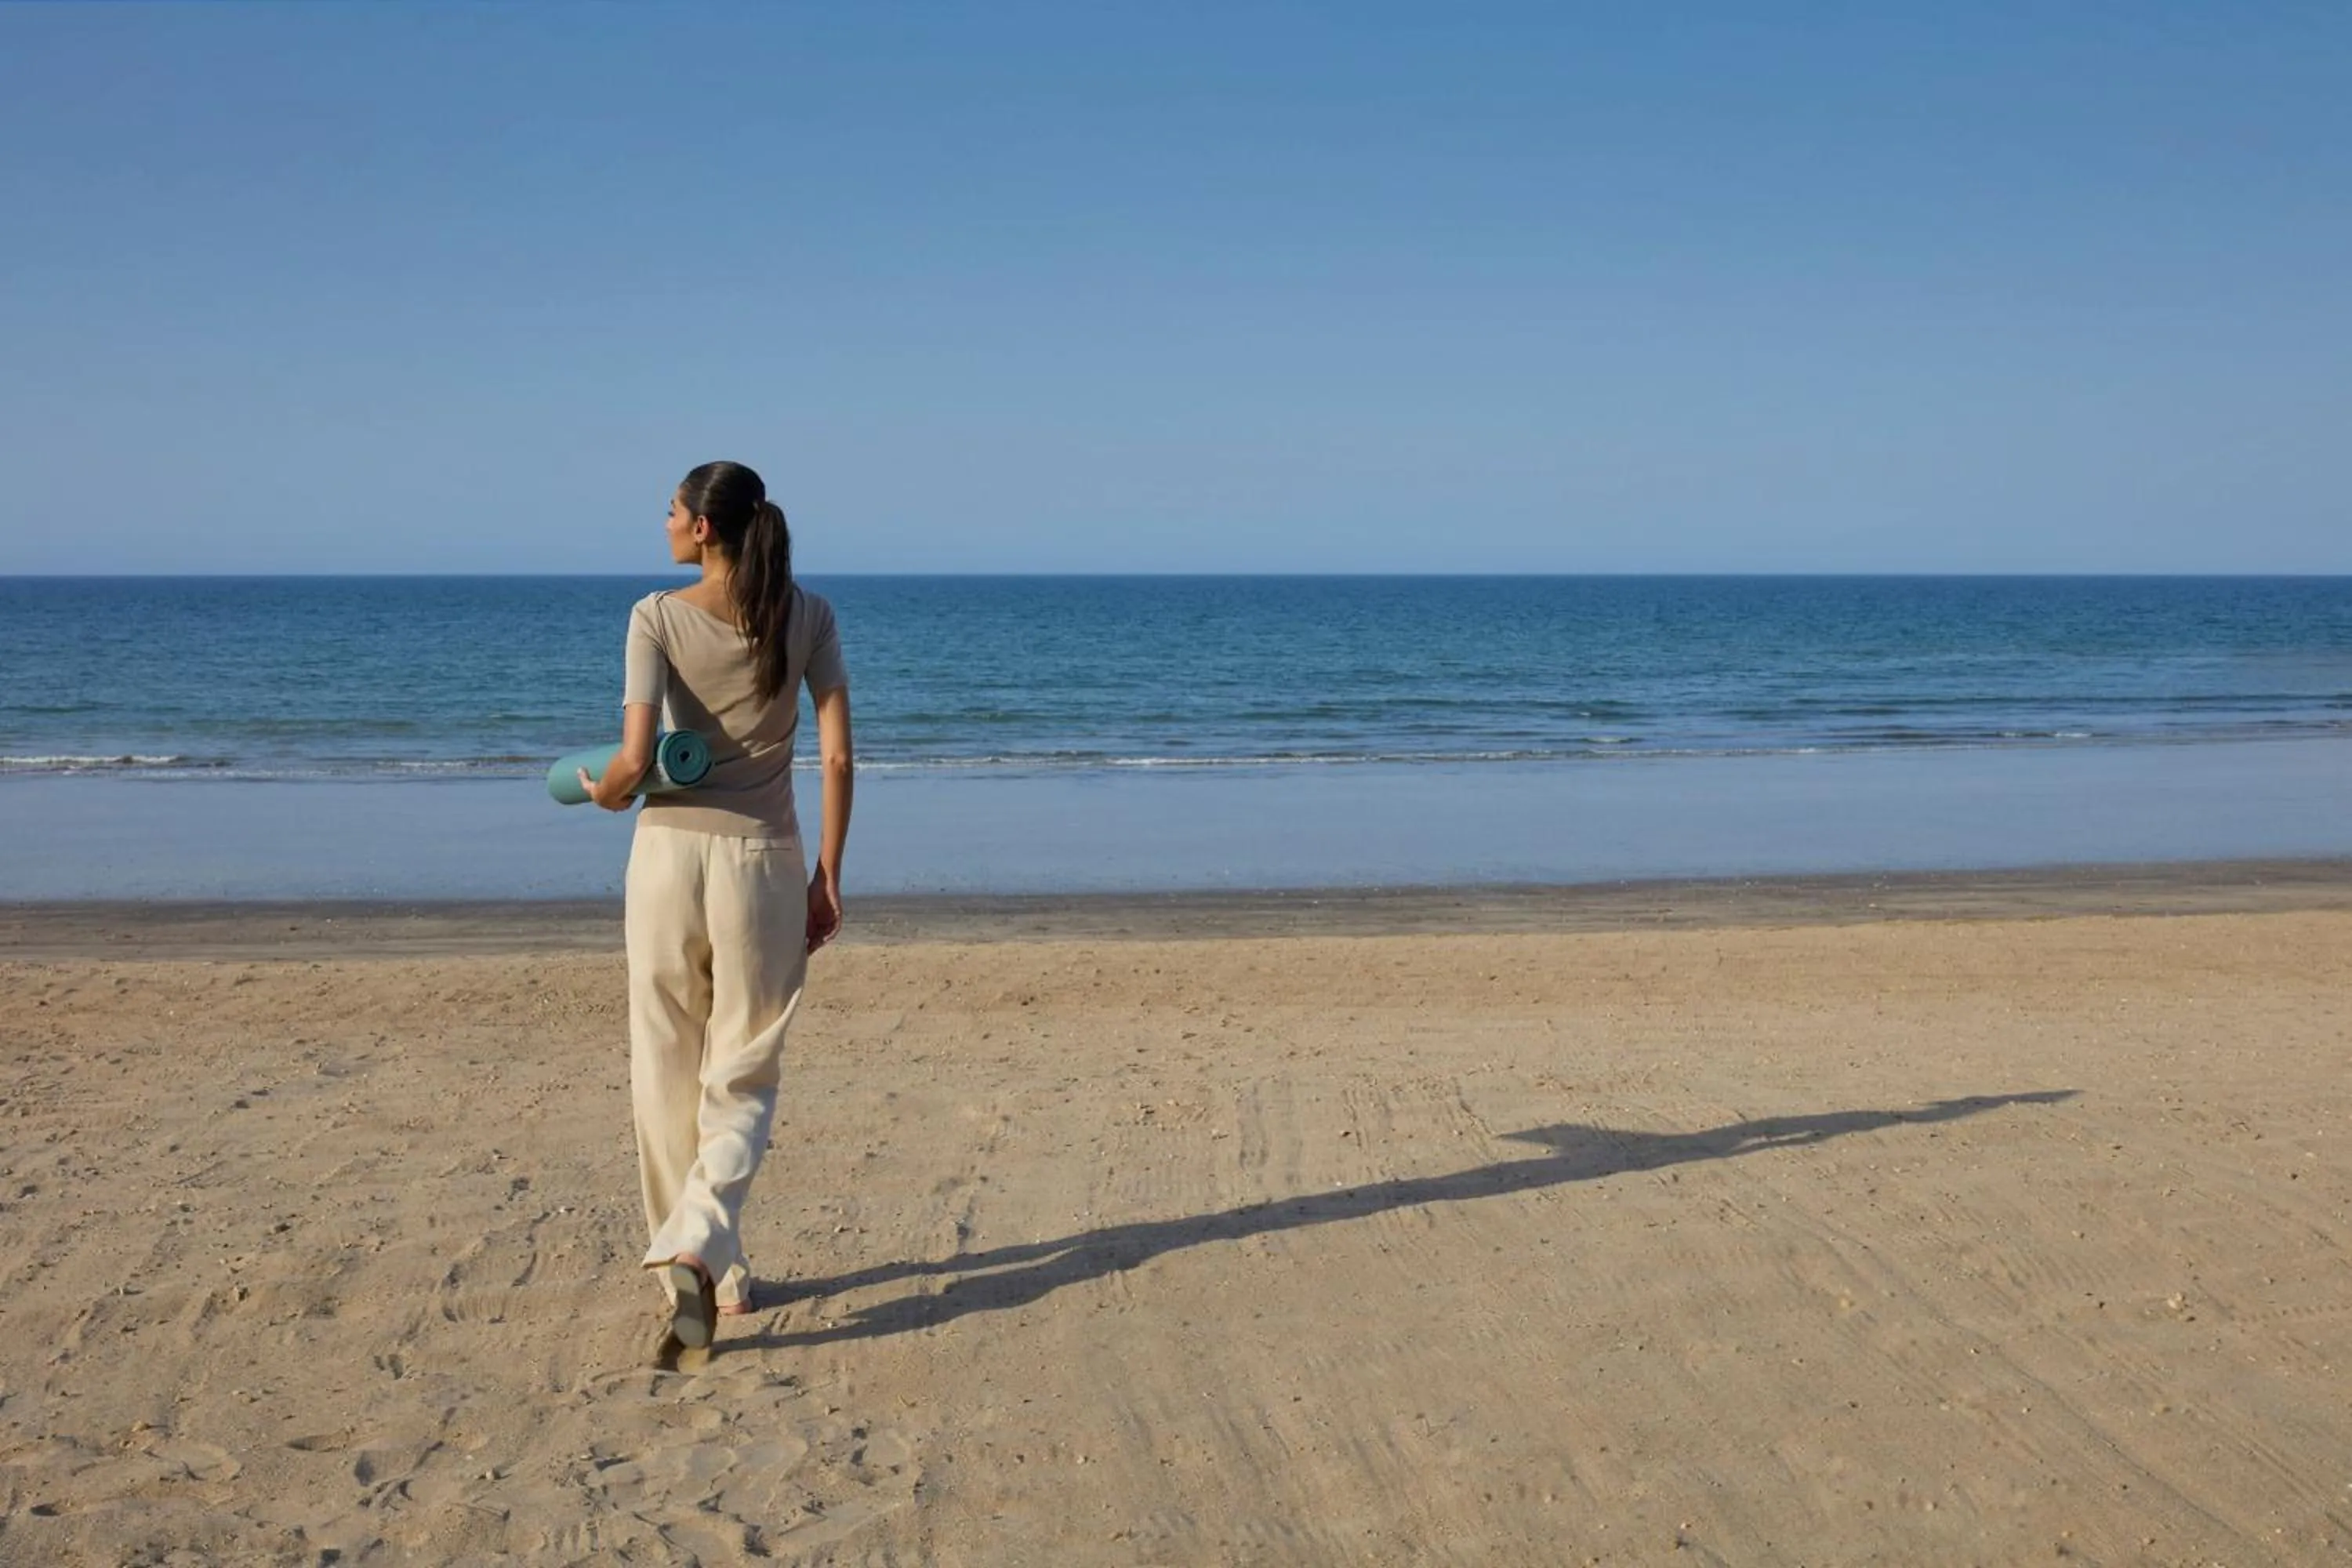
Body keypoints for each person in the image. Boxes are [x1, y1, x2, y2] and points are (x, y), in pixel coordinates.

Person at [579, 459, 853, 1367]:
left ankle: (690, 1268)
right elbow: (839, 759)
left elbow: (632, 757)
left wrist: (600, 792)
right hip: (764, 866)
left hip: (665, 861)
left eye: (670, 509)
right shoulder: (807, 615)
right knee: (743, 1070)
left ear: (703, 528)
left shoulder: (654, 615)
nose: (661, 520)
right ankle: (710, 1248)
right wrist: (827, 875)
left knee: (665, 1063)